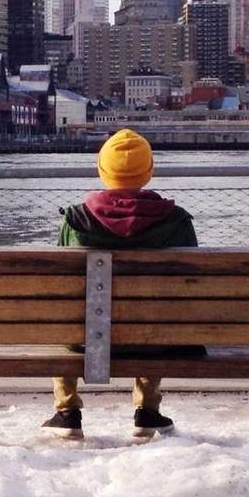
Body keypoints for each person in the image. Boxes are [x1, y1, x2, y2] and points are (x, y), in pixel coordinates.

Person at [43, 128, 197, 440]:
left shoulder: (76, 220)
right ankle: (147, 411)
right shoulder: (176, 221)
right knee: (158, 315)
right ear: (149, 171)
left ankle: (67, 411)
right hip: (154, 339)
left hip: (84, 339)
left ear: (102, 170)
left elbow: (60, 285)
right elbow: (191, 285)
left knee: (64, 319)